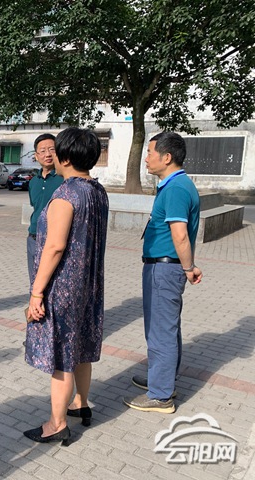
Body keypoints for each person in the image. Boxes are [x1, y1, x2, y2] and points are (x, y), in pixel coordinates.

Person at [23, 127, 108, 445]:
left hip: (64, 287)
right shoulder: (97, 191)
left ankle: (56, 423)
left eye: (56, 151)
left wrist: (37, 292)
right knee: (81, 345)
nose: (52, 156)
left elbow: (55, 247)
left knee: (61, 354)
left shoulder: (65, 195)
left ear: (66, 157)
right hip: (89, 284)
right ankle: (80, 402)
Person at [124, 132, 202, 414]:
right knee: (167, 328)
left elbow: (179, 235)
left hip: (165, 268)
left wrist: (188, 267)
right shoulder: (174, 185)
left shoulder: (176, 189)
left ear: (166, 157)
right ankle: (162, 379)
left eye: (150, 152)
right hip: (164, 267)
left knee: (160, 332)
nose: (146, 158)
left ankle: (161, 395)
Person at [27, 133, 64, 283]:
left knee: (53, 283)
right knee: (34, 281)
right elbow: (35, 206)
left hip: (54, 240)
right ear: (36, 156)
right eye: (42, 151)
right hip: (33, 238)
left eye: (52, 149)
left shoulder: (64, 179)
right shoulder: (33, 182)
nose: (47, 154)